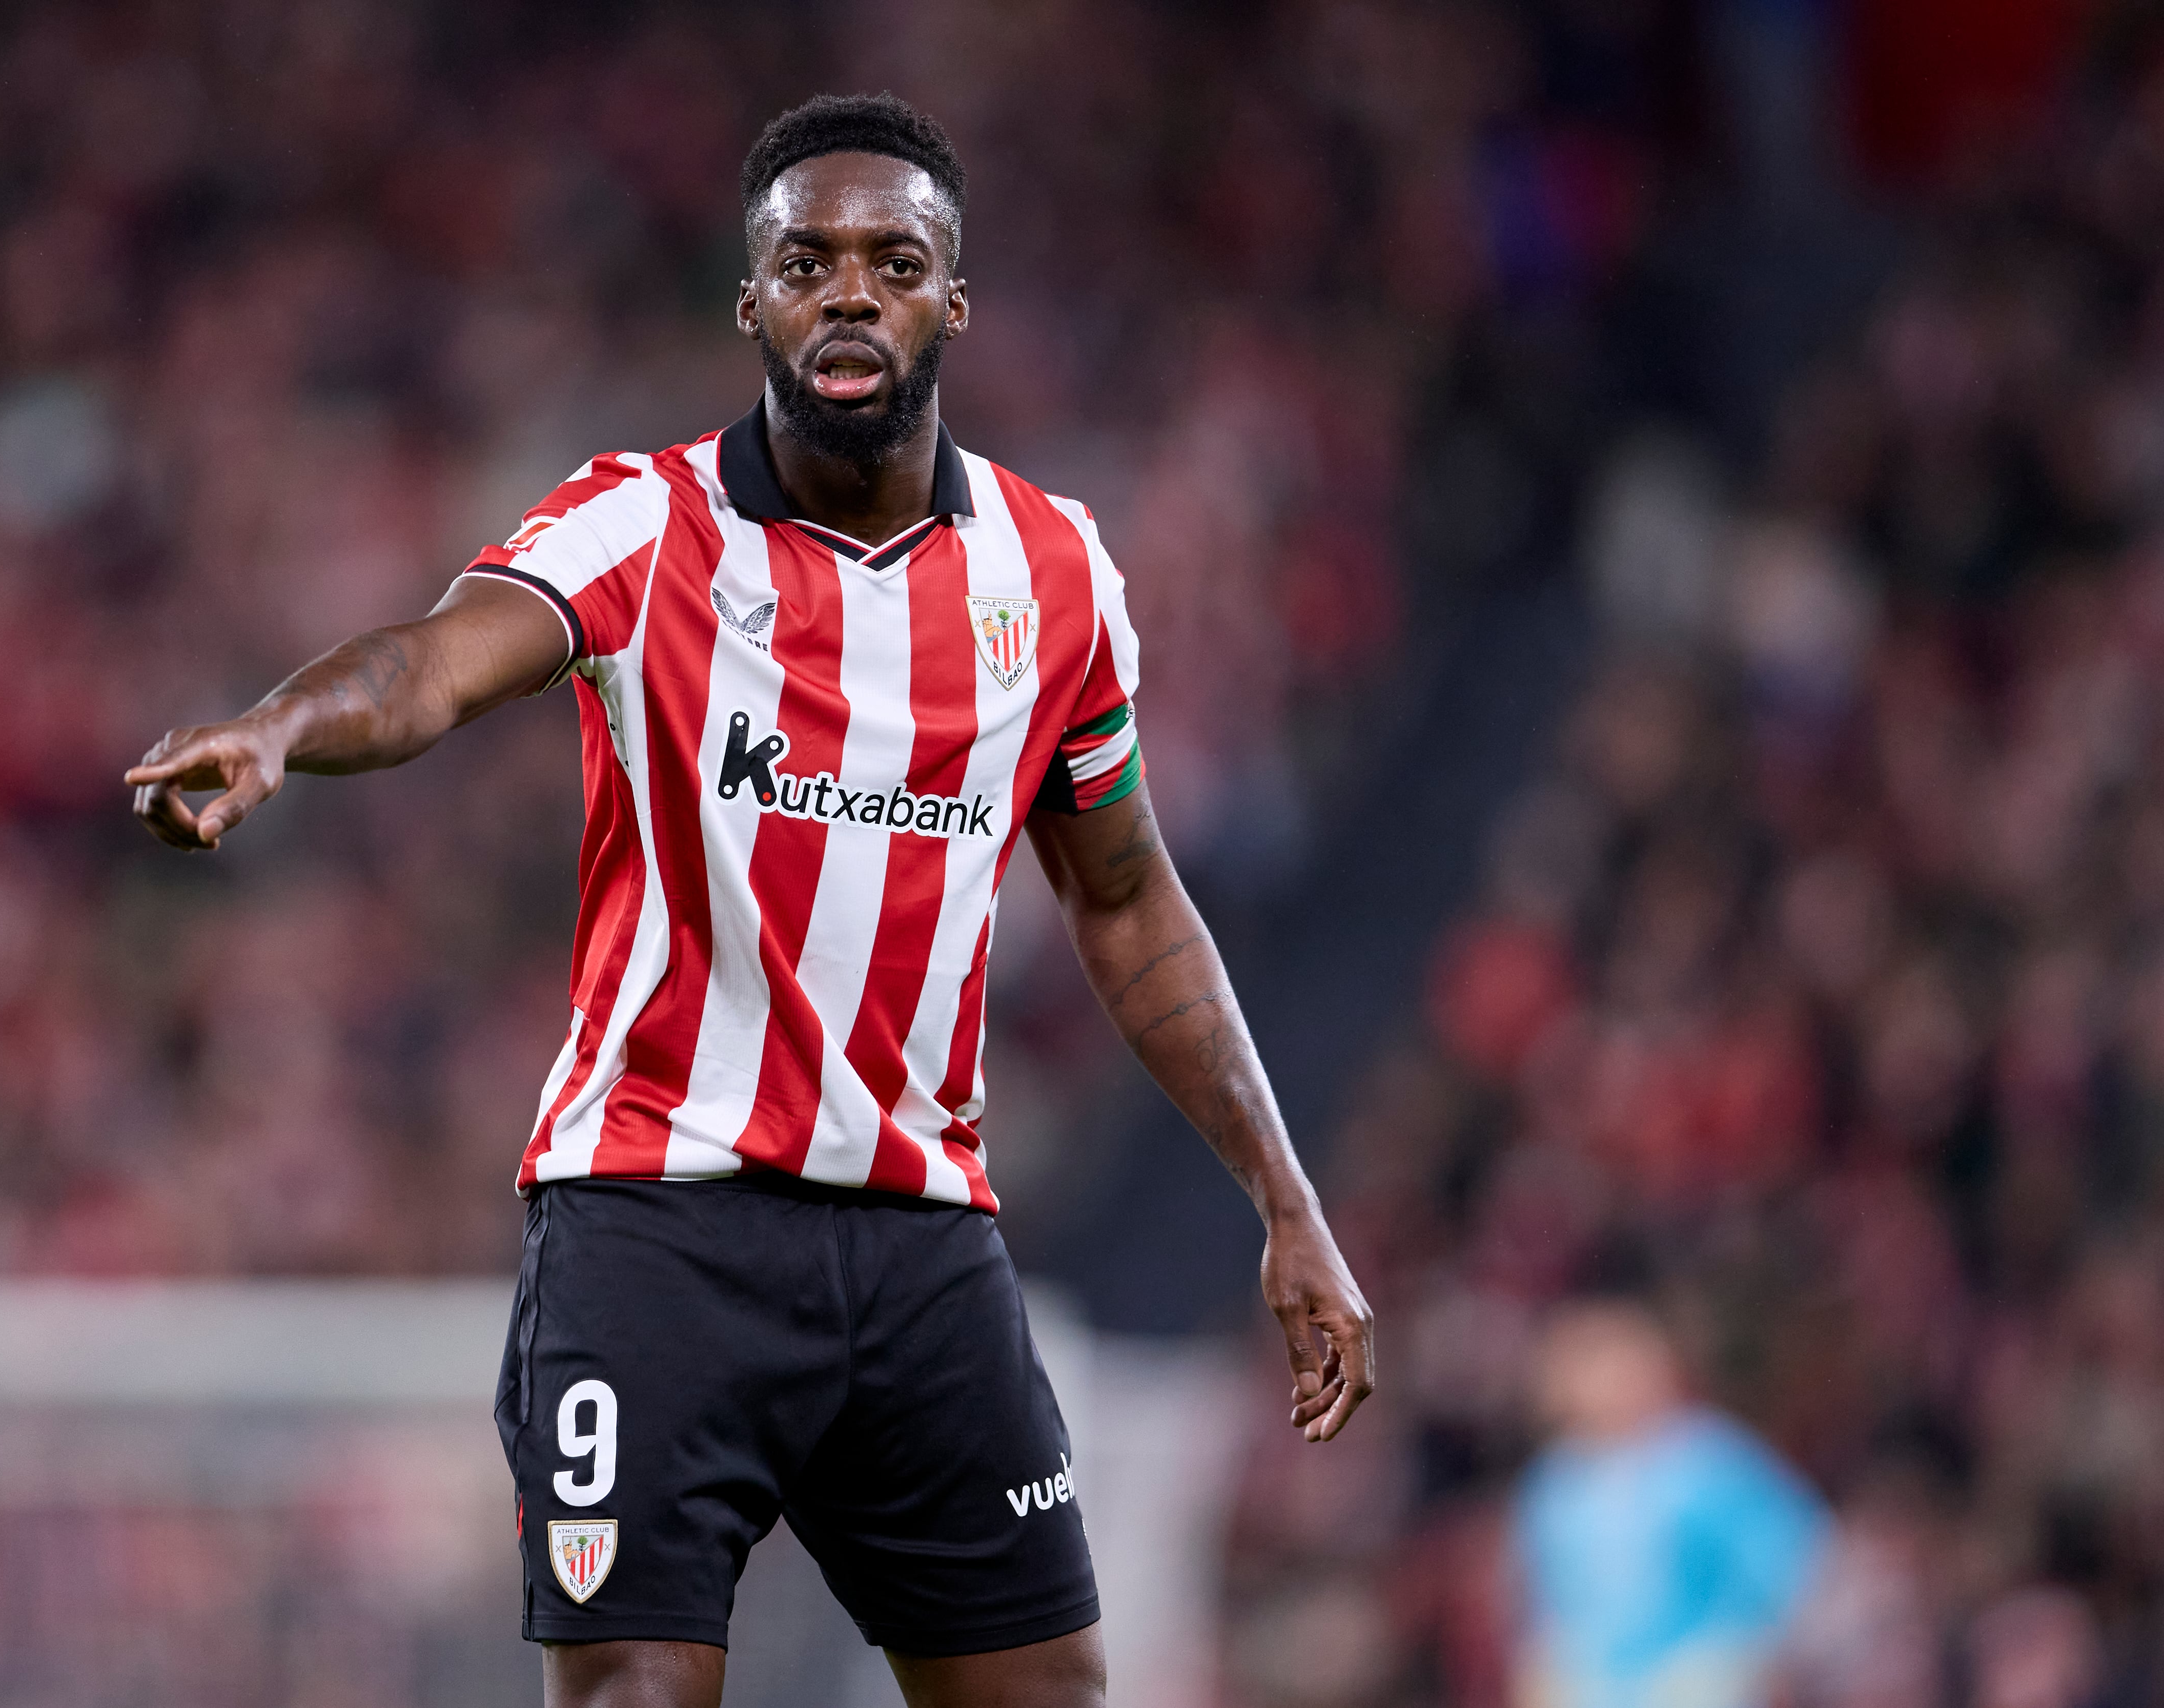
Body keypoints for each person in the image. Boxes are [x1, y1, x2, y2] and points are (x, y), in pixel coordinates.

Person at [126, 93, 1374, 1708]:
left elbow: (1127, 900)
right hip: (659, 1223)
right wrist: (284, 726)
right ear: (753, 301)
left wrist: (1286, 1200)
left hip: (921, 1242)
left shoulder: (1054, 574)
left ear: (952, 301)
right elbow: (432, 664)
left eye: (893, 262)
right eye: (807, 262)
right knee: (636, 1692)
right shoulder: (644, 524)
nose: (849, 291)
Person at [1512, 1298, 1829, 1708]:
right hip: (1594, 1681)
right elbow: (1545, 1597)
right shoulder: (1556, 1484)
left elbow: (1789, 1557)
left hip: (1698, 1673)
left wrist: (1741, 1651)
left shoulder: (1709, 1461)